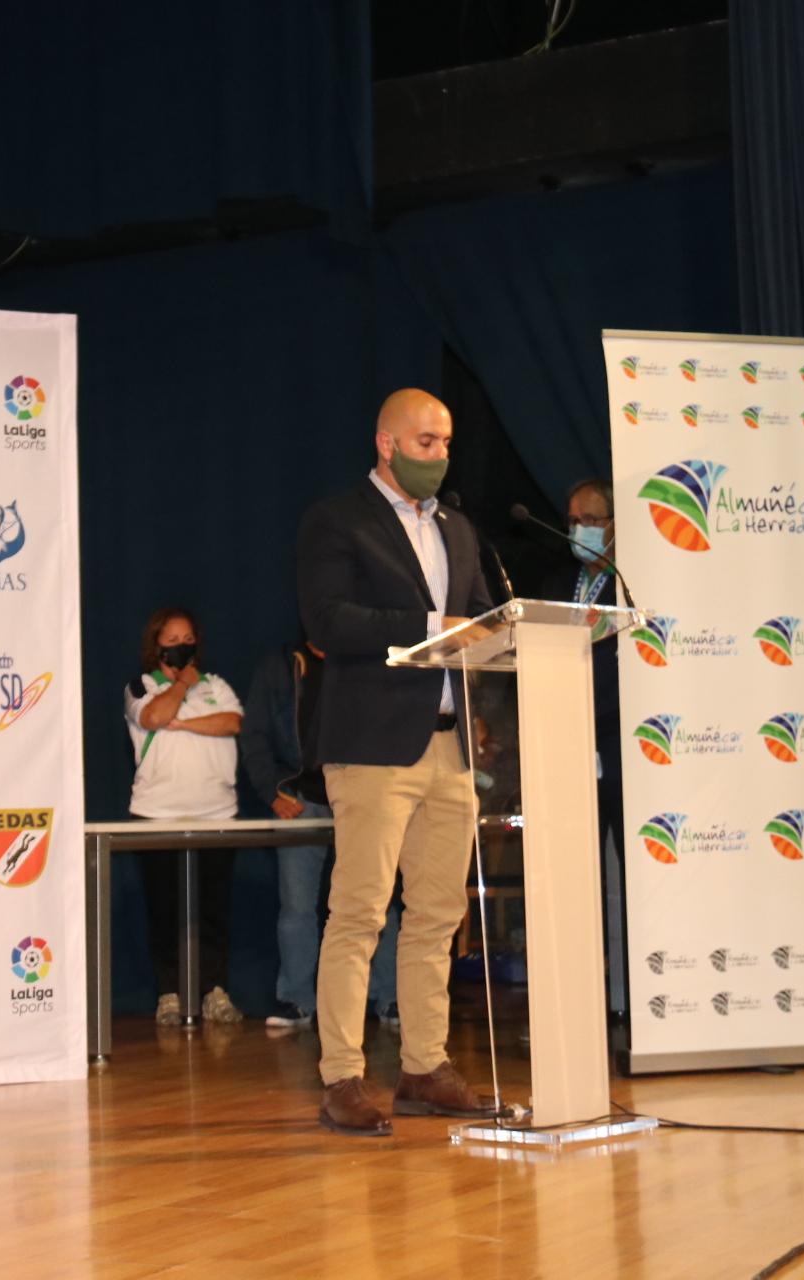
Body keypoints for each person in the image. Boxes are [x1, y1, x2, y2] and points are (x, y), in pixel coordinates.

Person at [297, 387, 497, 1137]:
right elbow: (328, 621)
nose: (439, 456)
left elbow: (484, 623)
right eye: (425, 443)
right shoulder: (337, 519)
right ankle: (342, 1075)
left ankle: (424, 1066)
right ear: (386, 445)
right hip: (372, 745)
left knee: (439, 915)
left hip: (450, 745)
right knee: (359, 912)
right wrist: (432, 625)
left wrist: (494, 637)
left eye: (445, 444)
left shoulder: (458, 529)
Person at [240, 637, 401, 1029]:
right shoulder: (280, 664)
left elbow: (391, 724)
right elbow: (255, 733)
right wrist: (271, 791)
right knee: (296, 907)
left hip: (361, 790)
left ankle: (390, 997)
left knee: (377, 900)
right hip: (301, 794)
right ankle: (297, 1000)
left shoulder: (365, 658)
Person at [125, 607, 246, 1025]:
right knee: (164, 911)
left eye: (188, 639)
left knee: (213, 911)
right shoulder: (141, 686)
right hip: (157, 814)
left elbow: (231, 722)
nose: (181, 647)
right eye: (172, 641)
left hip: (216, 813)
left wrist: (185, 724)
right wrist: (180, 687)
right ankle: (169, 994)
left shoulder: (216, 685)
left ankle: (214, 991)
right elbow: (154, 717)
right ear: (156, 646)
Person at [542, 477, 627, 1022]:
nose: (579, 530)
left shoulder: (630, 585)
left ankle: (633, 1001)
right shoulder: (557, 583)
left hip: (620, 749)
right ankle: (574, 1007)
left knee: (631, 880)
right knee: (574, 882)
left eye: (591, 520)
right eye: (573, 521)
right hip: (565, 747)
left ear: (615, 525)